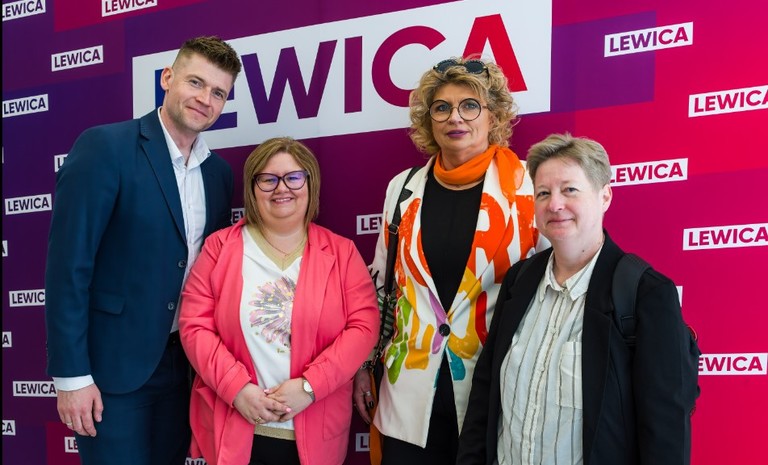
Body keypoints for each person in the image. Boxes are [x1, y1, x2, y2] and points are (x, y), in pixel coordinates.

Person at [44, 36, 242, 465]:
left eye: (218, 92)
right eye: (196, 82)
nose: (205, 99)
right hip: (112, 372)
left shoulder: (219, 174)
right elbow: (68, 268)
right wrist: (72, 376)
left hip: (184, 369)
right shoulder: (106, 147)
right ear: (167, 78)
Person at [457, 133, 700, 465]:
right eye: (543, 193)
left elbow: (665, 431)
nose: (555, 204)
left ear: (605, 196)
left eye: (569, 189)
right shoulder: (518, 281)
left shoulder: (646, 294)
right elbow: (485, 397)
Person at [353, 57, 547, 465]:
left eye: (469, 105)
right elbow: (382, 288)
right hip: (408, 393)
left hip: (494, 391)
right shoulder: (402, 188)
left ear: (493, 115)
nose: (455, 117)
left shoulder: (529, 185)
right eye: (441, 107)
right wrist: (363, 366)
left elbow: (553, 287)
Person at [178, 137, 380, 465]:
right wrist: (236, 388)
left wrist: (310, 386)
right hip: (236, 426)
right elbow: (194, 326)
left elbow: (364, 327)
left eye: (293, 177)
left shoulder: (342, 253)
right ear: (252, 188)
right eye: (268, 179)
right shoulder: (219, 248)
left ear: (310, 184)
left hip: (315, 430)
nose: (281, 188)